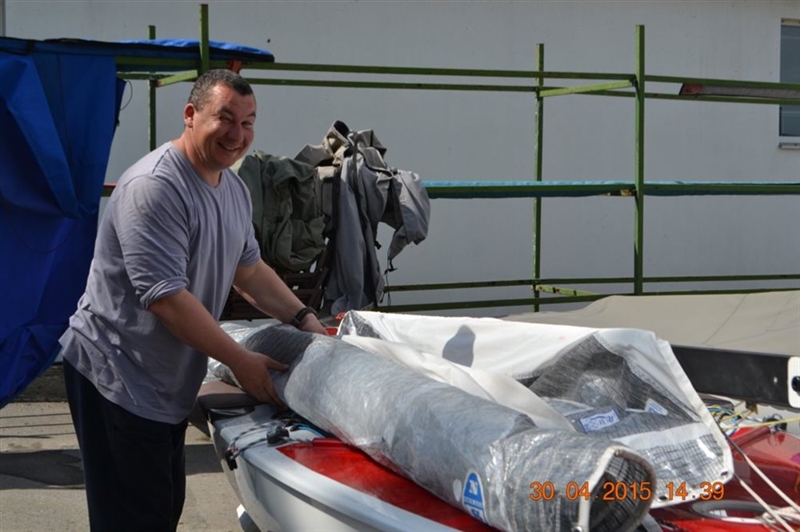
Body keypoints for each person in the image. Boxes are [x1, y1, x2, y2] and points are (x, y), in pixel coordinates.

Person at [59, 68, 327, 532]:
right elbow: (166, 298)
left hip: (165, 382)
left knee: (161, 509)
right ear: (190, 114)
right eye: (225, 118)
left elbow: (249, 271)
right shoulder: (155, 187)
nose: (237, 134)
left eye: (247, 122)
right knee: (134, 518)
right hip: (117, 375)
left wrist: (305, 319)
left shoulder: (233, 189)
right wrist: (240, 360)